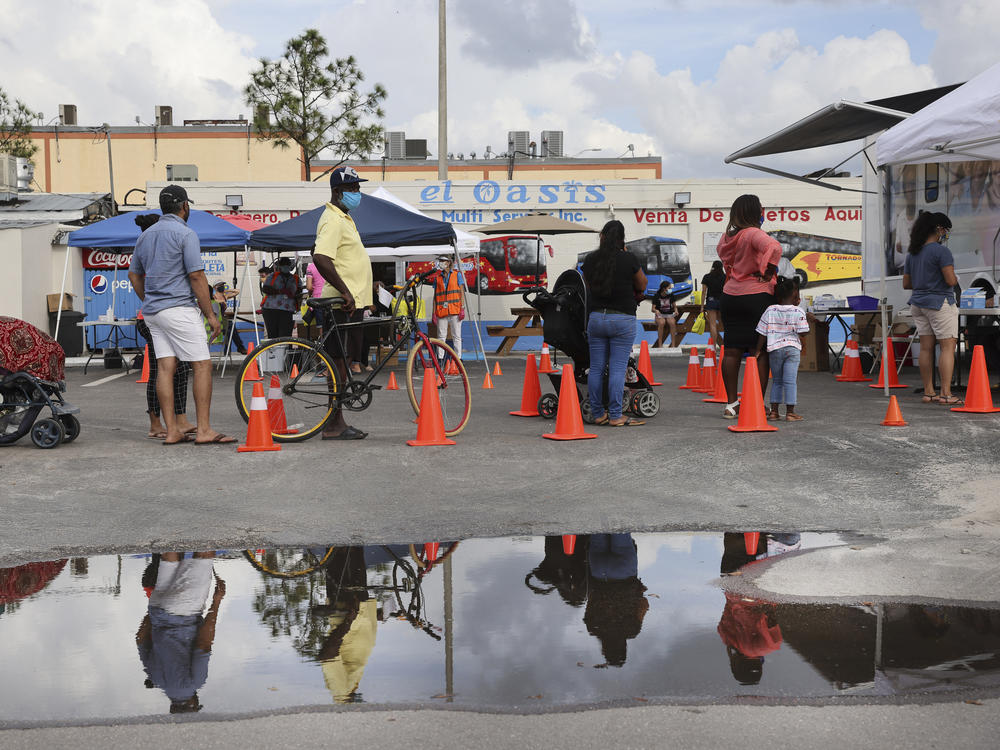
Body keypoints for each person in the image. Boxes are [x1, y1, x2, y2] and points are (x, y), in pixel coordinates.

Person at [127, 185, 235, 445]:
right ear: (185, 206)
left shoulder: (146, 235)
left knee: (165, 367)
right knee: (201, 365)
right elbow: (196, 275)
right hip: (179, 309)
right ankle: (205, 430)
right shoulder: (186, 234)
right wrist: (211, 314)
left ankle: (172, 429)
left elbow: (134, 274)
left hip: (153, 312)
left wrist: (149, 300)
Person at [312, 166, 374, 440]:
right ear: (337, 192)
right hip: (341, 303)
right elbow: (320, 257)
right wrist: (346, 291)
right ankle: (333, 424)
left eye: (358, 188)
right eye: (352, 189)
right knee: (338, 364)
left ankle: (336, 420)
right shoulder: (333, 220)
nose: (357, 193)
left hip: (352, 302)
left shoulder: (344, 218)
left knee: (346, 362)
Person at [716, 194, 782, 419]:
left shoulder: (725, 238)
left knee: (732, 350)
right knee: (760, 351)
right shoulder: (754, 233)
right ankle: (755, 402)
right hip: (757, 297)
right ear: (755, 212)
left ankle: (731, 403)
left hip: (730, 296)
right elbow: (774, 248)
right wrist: (767, 272)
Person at [135, 551, 225, 714]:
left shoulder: (193, 684)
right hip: (157, 607)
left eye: (196, 705)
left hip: (185, 609)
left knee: (204, 554)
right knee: (171, 555)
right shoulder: (156, 679)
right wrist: (155, 614)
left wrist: (216, 602)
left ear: (192, 705)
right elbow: (141, 638)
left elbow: (203, 644)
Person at [581, 219, 647, 427]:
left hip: (597, 318)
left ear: (602, 237)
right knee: (618, 369)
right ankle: (617, 415)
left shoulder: (591, 259)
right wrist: (625, 253)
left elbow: (587, 285)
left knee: (597, 367)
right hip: (622, 318)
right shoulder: (628, 258)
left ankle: (598, 413)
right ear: (621, 239)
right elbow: (643, 284)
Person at [903, 211, 962, 405]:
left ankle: (929, 392)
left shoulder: (913, 253)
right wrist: (953, 280)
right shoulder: (941, 251)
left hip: (918, 304)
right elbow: (950, 280)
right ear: (938, 229)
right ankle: (946, 394)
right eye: (945, 229)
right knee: (947, 347)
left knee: (926, 348)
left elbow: (906, 283)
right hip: (939, 303)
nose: (946, 233)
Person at [753, 277, 810, 421]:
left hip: (775, 349)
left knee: (777, 381)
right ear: (795, 296)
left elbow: (762, 332)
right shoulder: (799, 311)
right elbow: (803, 331)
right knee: (790, 381)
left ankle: (774, 412)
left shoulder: (770, 309)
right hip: (792, 349)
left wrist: (758, 350)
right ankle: (790, 413)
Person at [260, 256, 301, 339]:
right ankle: (275, 352)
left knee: (285, 336)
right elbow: (265, 288)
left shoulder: (296, 278)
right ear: (280, 266)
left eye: (287, 264)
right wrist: (280, 291)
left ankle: (284, 351)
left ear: (290, 266)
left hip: (288, 310)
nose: (285, 266)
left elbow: (299, 291)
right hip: (271, 309)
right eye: (283, 265)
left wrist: (293, 294)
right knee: (273, 335)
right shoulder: (273, 276)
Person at [433, 255, 464, 360]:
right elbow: (435, 297)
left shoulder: (457, 275)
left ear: (448, 263)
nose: (440, 263)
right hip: (442, 311)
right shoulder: (437, 278)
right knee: (441, 336)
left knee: (457, 336)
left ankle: (458, 358)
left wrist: (462, 308)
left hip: (455, 309)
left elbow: (461, 292)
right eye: (440, 261)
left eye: (442, 261)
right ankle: (440, 359)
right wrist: (433, 313)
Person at [211, 281, 247, 355]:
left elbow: (237, 291)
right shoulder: (213, 296)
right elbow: (212, 303)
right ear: (215, 287)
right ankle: (239, 347)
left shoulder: (225, 296)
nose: (222, 286)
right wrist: (220, 301)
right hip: (214, 322)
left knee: (230, 330)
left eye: (223, 285)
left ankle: (228, 352)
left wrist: (227, 290)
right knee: (230, 327)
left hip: (223, 323)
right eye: (220, 285)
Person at [700, 260, 726, 345]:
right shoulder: (725, 277)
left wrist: (702, 306)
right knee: (724, 325)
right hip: (722, 301)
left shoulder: (707, 277)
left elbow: (704, 292)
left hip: (711, 301)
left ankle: (713, 347)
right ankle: (726, 347)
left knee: (713, 325)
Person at [649, 280, 678, 348]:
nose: (670, 290)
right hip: (660, 314)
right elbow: (652, 309)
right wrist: (656, 311)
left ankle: (673, 345)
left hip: (669, 314)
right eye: (669, 288)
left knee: (672, 323)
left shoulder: (671, 295)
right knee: (662, 323)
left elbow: (675, 306)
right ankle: (660, 344)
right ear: (664, 289)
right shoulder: (657, 296)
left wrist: (676, 310)